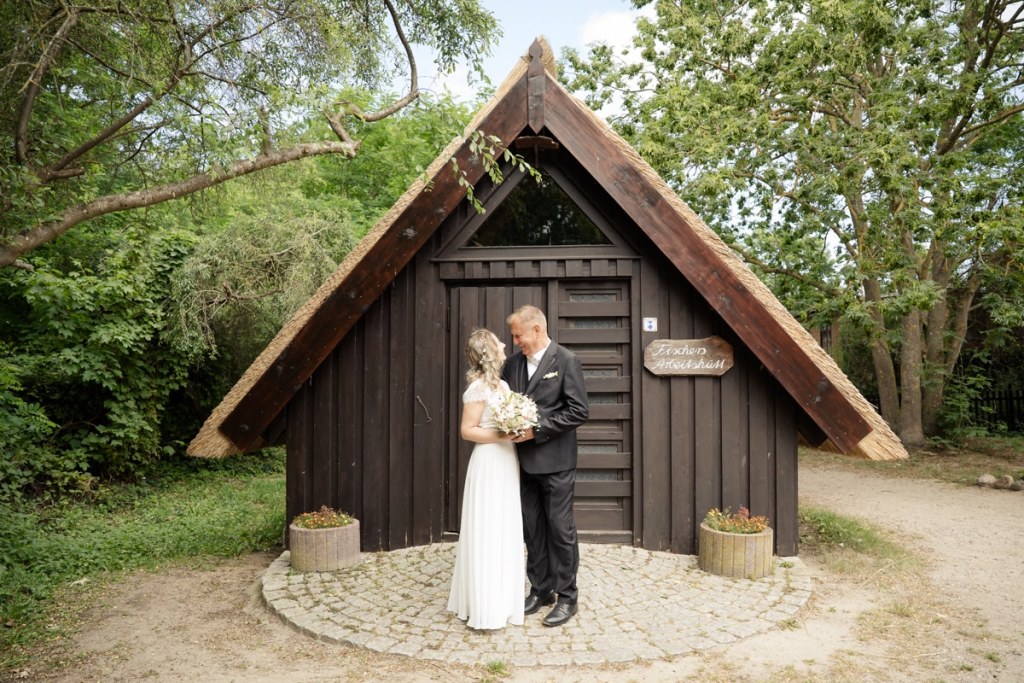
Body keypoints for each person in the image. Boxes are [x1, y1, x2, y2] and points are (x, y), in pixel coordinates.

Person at [502, 305, 589, 627]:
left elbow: (578, 411)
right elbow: (502, 402)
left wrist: (536, 430)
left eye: (518, 335)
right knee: (532, 529)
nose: (515, 342)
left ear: (537, 329)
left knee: (559, 530)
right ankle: (541, 590)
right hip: (521, 464)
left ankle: (568, 597)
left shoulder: (566, 361)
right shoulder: (510, 365)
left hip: (556, 464)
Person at [447, 329, 526, 630]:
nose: (505, 344)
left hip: (506, 460)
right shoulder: (477, 389)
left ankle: (504, 600)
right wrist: (503, 434)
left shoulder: (503, 385)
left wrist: (518, 429)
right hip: (489, 462)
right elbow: (468, 430)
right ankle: (485, 605)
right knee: (488, 527)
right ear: (489, 351)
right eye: (499, 341)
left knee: (504, 527)